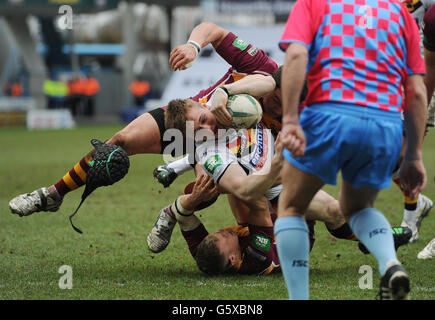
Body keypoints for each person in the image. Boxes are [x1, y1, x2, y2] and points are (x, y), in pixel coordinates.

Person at [8, 22, 279, 217]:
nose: (280, 102)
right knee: (120, 141)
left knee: (209, 192)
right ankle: (53, 194)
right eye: (278, 94)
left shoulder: (298, 119)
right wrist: (194, 46)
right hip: (194, 119)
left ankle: (178, 219)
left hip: (230, 150)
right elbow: (214, 29)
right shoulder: (262, 67)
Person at [276, 0, 427, 301]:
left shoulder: (314, 3)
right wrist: (413, 155)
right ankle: (390, 263)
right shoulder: (400, 13)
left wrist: (291, 118)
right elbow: (417, 91)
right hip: (384, 125)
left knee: (292, 205)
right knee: (358, 208)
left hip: (329, 115)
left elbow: (295, 54)